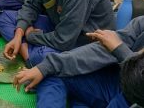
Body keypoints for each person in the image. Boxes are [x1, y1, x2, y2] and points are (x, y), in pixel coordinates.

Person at [13, 16, 144, 108]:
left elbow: (64, 40)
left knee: (46, 61)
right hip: (114, 82)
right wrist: (45, 66)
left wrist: (119, 49)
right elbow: (102, 49)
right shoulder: (141, 23)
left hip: (132, 96)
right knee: (50, 69)